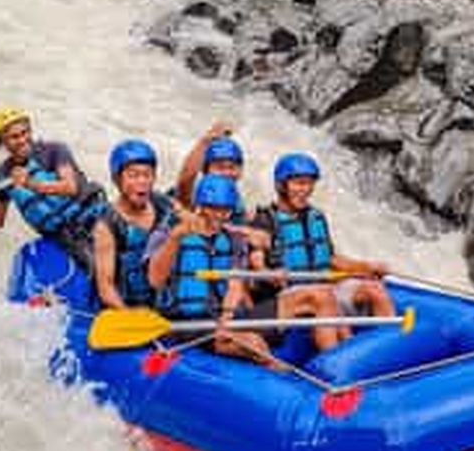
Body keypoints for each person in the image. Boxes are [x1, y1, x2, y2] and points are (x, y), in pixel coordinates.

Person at [0, 107, 106, 269]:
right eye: (14, 137)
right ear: (1, 142)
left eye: (25, 132)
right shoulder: (1, 175)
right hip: (64, 236)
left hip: (94, 218)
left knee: (107, 267)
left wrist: (30, 183)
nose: (23, 140)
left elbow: (70, 187)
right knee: (91, 268)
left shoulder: (54, 150)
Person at [253, 152, 394, 345]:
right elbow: (256, 265)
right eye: (299, 183)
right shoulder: (264, 221)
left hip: (324, 286)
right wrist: (269, 274)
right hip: (292, 294)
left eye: (310, 184)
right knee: (324, 297)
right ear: (281, 186)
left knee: (374, 289)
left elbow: (331, 259)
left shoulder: (316, 217)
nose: (306, 190)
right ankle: (340, 356)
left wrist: (367, 267)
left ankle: (388, 347)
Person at [147, 173, 280, 367]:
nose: (220, 215)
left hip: (216, 319)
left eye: (225, 210)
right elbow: (155, 280)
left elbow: (234, 285)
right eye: (213, 209)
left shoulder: (232, 239)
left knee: (254, 340)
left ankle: (279, 375)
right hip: (181, 322)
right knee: (253, 343)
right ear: (200, 206)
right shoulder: (169, 233)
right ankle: (277, 374)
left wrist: (225, 319)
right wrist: (175, 238)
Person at [93, 140, 175, 309]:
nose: (142, 181)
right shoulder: (106, 224)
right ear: (117, 180)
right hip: (127, 306)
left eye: (147, 175)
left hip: (165, 306)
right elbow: (106, 287)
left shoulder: (163, 205)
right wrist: (130, 316)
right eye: (133, 175)